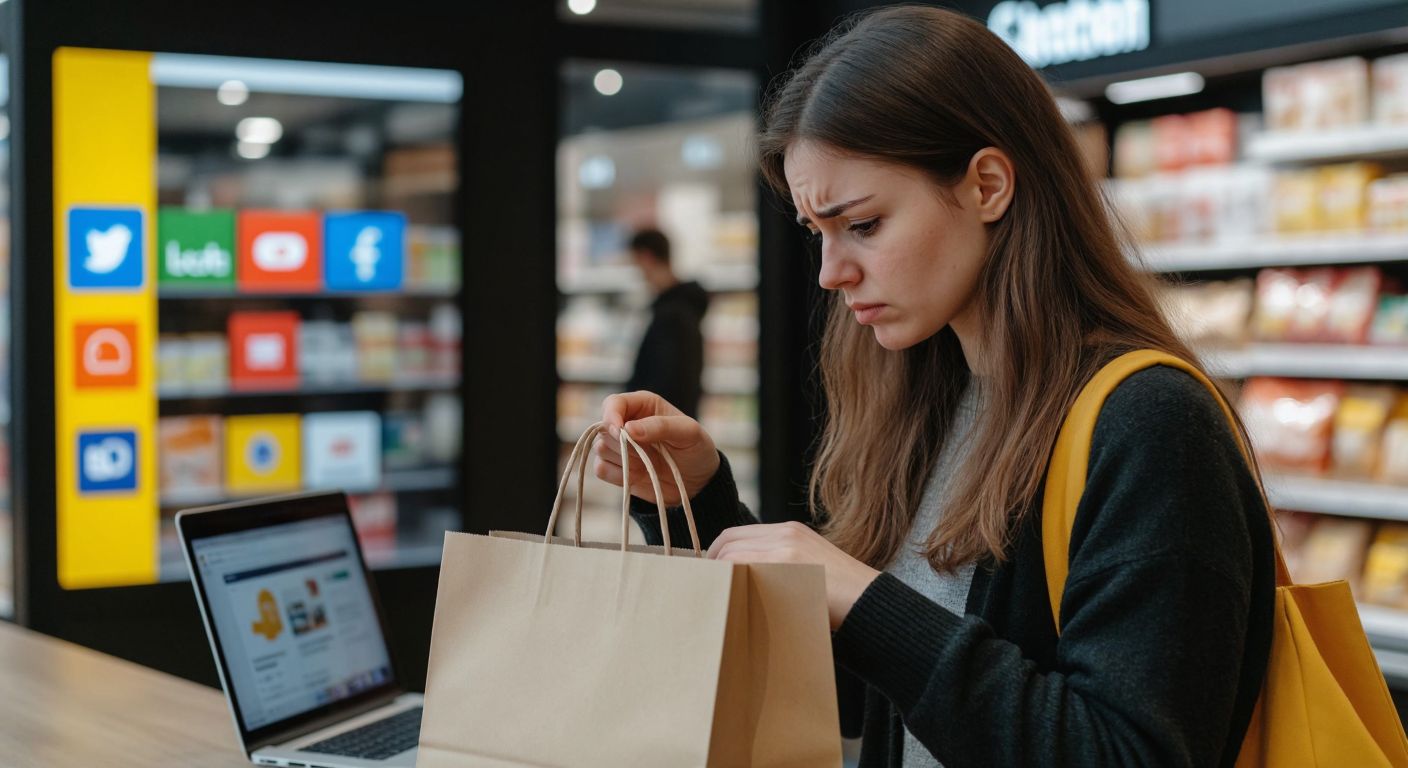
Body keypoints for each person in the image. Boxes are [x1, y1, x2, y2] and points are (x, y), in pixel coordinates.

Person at [592, 6, 1275, 768]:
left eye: (865, 224)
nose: (831, 272)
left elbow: (1124, 753)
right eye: (817, 232)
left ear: (987, 185)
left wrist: (861, 597)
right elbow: (876, 702)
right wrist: (697, 500)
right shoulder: (935, 399)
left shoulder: (1150, 423)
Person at [622, 228, 709, 418]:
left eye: (636, 263)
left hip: (661, 428)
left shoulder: (672, 314)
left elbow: (667, 381)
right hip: (671, 424)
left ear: (646, 258)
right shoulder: (684, 306)